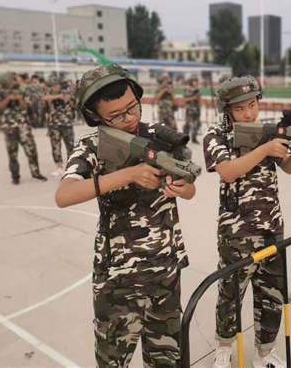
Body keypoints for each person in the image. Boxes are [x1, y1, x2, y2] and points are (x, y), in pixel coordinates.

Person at [55, 64, 195, 367]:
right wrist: (128, 175)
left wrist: (183, 189)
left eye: (133, 107)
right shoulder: (92, 146)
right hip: (118, 281)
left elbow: (190, 190)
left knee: (167, 360)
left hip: (165, 272)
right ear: (95, 117)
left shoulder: (159, 135)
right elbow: (64, 195)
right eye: (116, 115)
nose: (130, 118)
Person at [203, 76, 291, 368]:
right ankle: (223, 348)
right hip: (236, 232)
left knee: (271, 296)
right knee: (230, 296)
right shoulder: (216, 134)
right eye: (240, 109)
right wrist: (264, 149)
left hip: (272, 228)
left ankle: (265, 353)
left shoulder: (266, 131)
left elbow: (289, 168)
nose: (249, 113)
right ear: (227, 110)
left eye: (252, 105)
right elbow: (227, 172)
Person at [0, 73, 47, 185]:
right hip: (9, 127)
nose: (11, 82)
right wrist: (8, 99)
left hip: (23, 125)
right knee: (12, 153)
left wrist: (19, 99)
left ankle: (36, 173)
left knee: (31, 150)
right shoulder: (0, 91)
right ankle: (15, 176)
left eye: (13, 80)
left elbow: (26, 106)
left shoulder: (23, 90)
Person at [44, 80, 76, 176]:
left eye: (56, 85)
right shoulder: (51, 93)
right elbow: (45, 98)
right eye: (53, 86)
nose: (55, 87)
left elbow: (74, 104)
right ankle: (59, 167)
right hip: (54, 125)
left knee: (70, 146)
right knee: (56, 147)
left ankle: (71, 167)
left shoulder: (69, 92)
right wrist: (58, 96)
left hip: (67, 124)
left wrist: (68, 99)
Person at [182, 77, 201, 143]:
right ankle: (184, 138)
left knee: (197, 124)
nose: (196, 83)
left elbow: (199, 100)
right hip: (189, 110)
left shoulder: (197, 90)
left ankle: (194, 138)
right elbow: (185, 99)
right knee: (188, 124)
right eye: (195, 81)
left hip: (196, 109)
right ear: (191, 82)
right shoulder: (187, 89)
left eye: (197, 81)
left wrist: (198, 100)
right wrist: (193, 98)